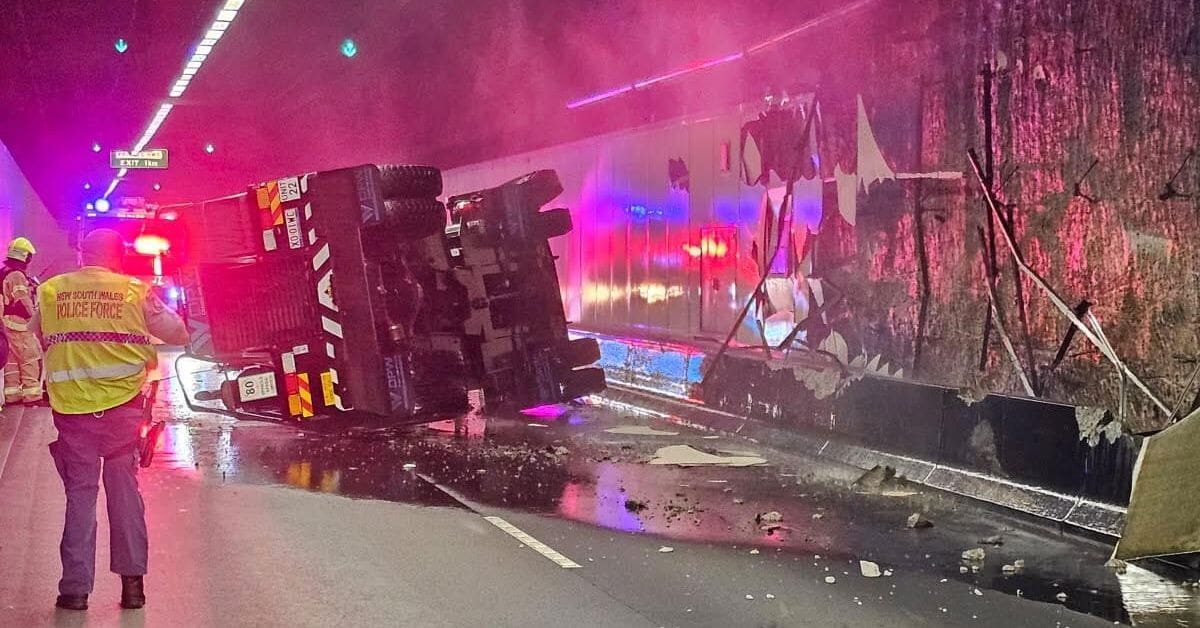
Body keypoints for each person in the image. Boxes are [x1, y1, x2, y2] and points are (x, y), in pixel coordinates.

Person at [33, 229, 189, 611]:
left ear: (83, 254)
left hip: (72, 413)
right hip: (122, 411)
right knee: (124, 494)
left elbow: (38, 331)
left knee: (80, 497)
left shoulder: (53, 291)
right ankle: (133, 589)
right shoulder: (133, 292)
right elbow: (178, 332)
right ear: (117, 257)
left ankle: (74, 591)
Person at [2, 236, 43, 405]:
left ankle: (12, 395)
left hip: (5, 325)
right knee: (29, 359)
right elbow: (22, 300)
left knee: (11, 362)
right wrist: (35, 318)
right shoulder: (17, 275)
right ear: (25, 256)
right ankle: (32, 396)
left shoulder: (3, 272)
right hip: (19, 325)